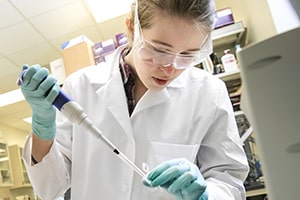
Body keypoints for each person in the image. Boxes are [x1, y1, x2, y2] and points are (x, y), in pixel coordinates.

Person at [20, 0, 249, 199]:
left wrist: (207, 195)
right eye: (159, 49)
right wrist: (42, 130)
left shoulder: (209, 93)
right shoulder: (80, 86)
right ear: (131, 29)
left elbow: (229, 180)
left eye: (187, 55)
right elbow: (50, 188)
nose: (170, 67)